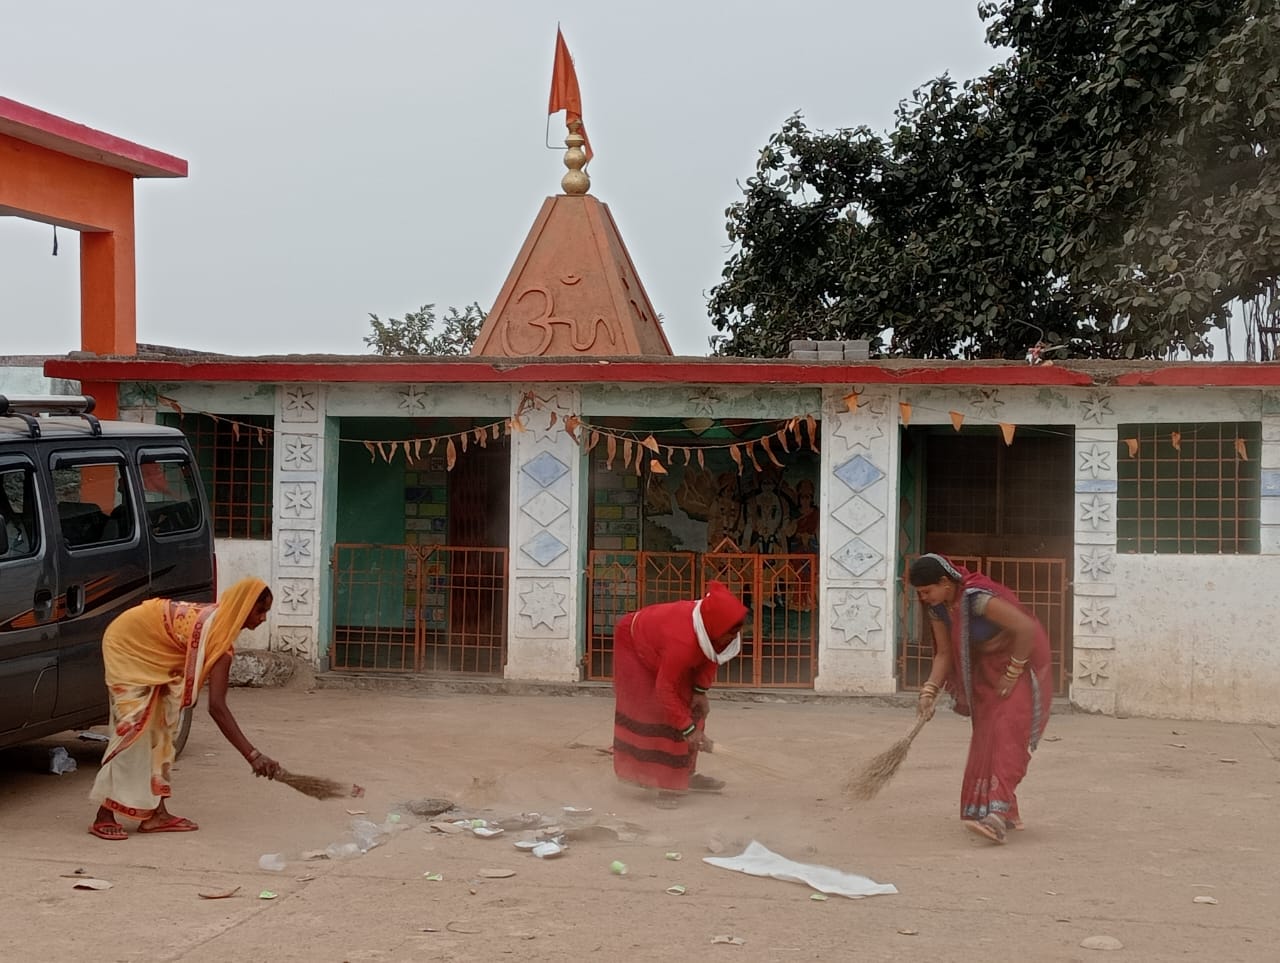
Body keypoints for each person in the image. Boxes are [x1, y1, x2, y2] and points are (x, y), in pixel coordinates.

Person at [87, 577, 283, 840]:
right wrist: (253, 755)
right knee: (133, 732)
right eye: (260, 611)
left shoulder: (220, 635)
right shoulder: (218, 640)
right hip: (127, 645)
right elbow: (217, 707)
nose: (262, 619)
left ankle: (156, 814)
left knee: (161, 732)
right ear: (243, 606)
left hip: (155, 654)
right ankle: (104, 816)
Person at [909, 554, 1052, 845]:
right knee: (987, 739)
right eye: (920, 594)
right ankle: (1007, 812)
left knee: (1008, 735)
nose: (924, 599)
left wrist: (1012, 672)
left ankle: (996, 819)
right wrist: (929, 690)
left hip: (1017, 666)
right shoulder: (940, 609)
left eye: (926, 592)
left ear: (945, 583)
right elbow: (945, 653)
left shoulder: (977, 600)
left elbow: (1025, 627)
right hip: (985, 674)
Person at [611, 580, 748, 809]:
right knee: (658, 714)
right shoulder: (681, 643)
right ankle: (664, 783)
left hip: (667, 648)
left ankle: (685, 774)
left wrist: (700, 692)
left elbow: (713, 656)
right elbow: (664, 690)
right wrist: (687, 728)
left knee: (692, 710)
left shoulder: (715, 628)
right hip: (634, 644)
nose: (732, 639)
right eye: (729, 635)